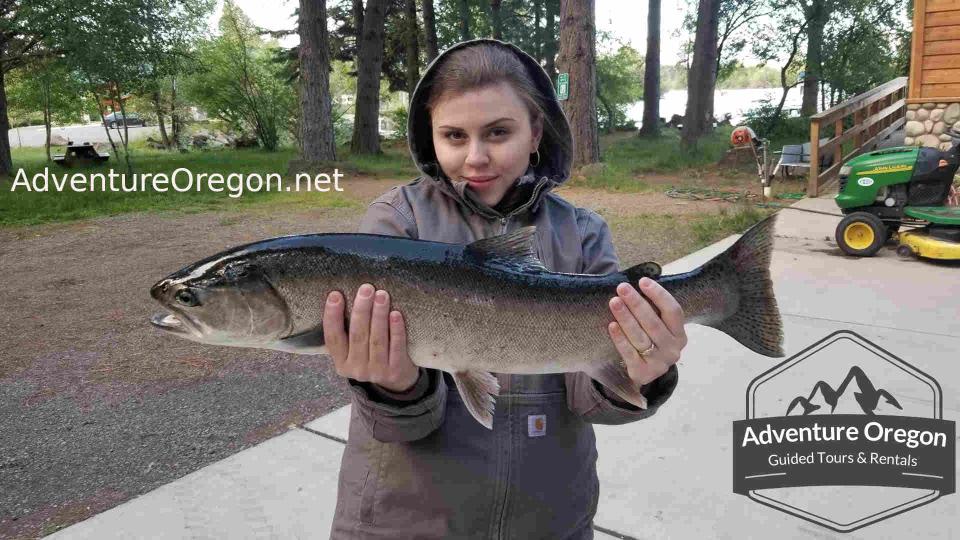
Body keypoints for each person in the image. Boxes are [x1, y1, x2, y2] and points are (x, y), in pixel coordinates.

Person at [325, 39, 687, 539]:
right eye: (454, 135)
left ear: (536, 132)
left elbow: (590, 401)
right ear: (430, 138)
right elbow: (395, 424)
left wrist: (642, 373)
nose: (475, 157)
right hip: (404, 522)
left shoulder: (582, 233)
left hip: (550, 520)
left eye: (498, 132)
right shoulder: (396, 222)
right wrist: (392, 387)